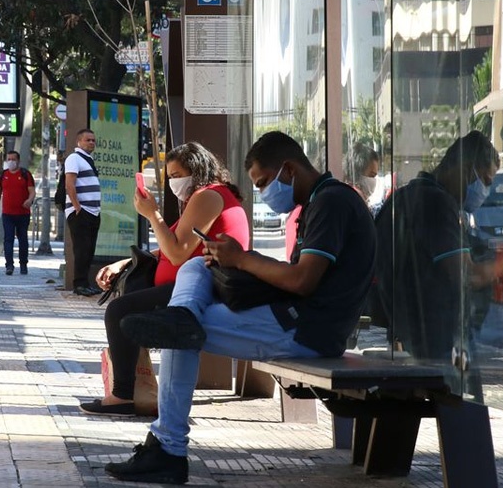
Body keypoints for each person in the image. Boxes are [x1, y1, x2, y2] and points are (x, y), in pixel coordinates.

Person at [106, 131, 377, 484]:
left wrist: (244, 259)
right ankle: (183, 315)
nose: (264, 192)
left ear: (289, 169)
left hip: (307, 328)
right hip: (293, 317)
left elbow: (302, 281)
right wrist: (233, 259)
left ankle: (168, 450)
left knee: (177, 333)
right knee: (194, 271)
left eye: (265, 182)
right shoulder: (320, 201)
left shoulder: (332, 203)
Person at [79, 142, 250, 417]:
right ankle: (130, 390)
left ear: (197, 170)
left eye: (177, 175)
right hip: (189, 285)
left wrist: (152, 215)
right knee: (125, 305)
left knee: (120, 310)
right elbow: (171, 246)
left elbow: (178, 253)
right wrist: (124, 262)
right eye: (169, 177)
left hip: (204, 288)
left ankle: (123, 395)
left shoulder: (208, 196)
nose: (173, 182)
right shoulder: (204, 197)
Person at [373, 130, 499, 364]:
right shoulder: (437, 204)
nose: (485, 191)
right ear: (466, 168)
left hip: (408, 337)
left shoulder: (403, 198)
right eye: (485, 180)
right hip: (437, 345)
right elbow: (466, 275)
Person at [64, 128, 102, 296]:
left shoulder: (88, 160)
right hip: (81, 212)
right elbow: (69, 184)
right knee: (81, 249)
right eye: (88, 140)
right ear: (79, 142)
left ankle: (86, 283)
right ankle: (79, 284)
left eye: (93, 140)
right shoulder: (74, 158)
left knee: (89, 250)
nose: (92, 143)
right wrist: (77, 206)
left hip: (93, 211)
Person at [0, 151, 36, 275]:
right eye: (8, 159)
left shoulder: (25, 174)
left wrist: (29, 200)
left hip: (23, 213)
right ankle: (9, 265)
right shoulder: (2, 175)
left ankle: (23, 264)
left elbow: (32, 191)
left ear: (18, 161)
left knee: (23, 239)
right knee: (8, 239)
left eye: (13, 159)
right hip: (8, 214)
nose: (11, 161)